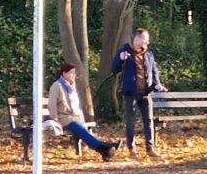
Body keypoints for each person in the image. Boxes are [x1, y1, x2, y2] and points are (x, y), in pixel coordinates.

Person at [111, 28, 167, 159]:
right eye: (145, 39)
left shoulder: (148, 54)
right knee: (130, 122)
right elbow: (114, 69)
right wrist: (120, 59)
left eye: (147, 39)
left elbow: (154, 71)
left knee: (148, 121)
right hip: (130, 93)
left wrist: (157, 84)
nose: (147, 42)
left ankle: (150, 148)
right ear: (137, 39)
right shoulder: (124, 51)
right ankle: (131, 148)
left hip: (146, 93)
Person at [48, 62, 120, 161]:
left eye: (74, 73)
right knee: (82, 130)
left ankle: (105, 149)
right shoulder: (57, 86)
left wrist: (80, 117)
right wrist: (55, 120)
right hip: (63, 118)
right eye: (71, 73)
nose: (73, 76)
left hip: (74, 117)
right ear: (64, 73)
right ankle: (106, 147)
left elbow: (77, 105)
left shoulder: (72, 87)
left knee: (83, 130)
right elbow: (52, 105)